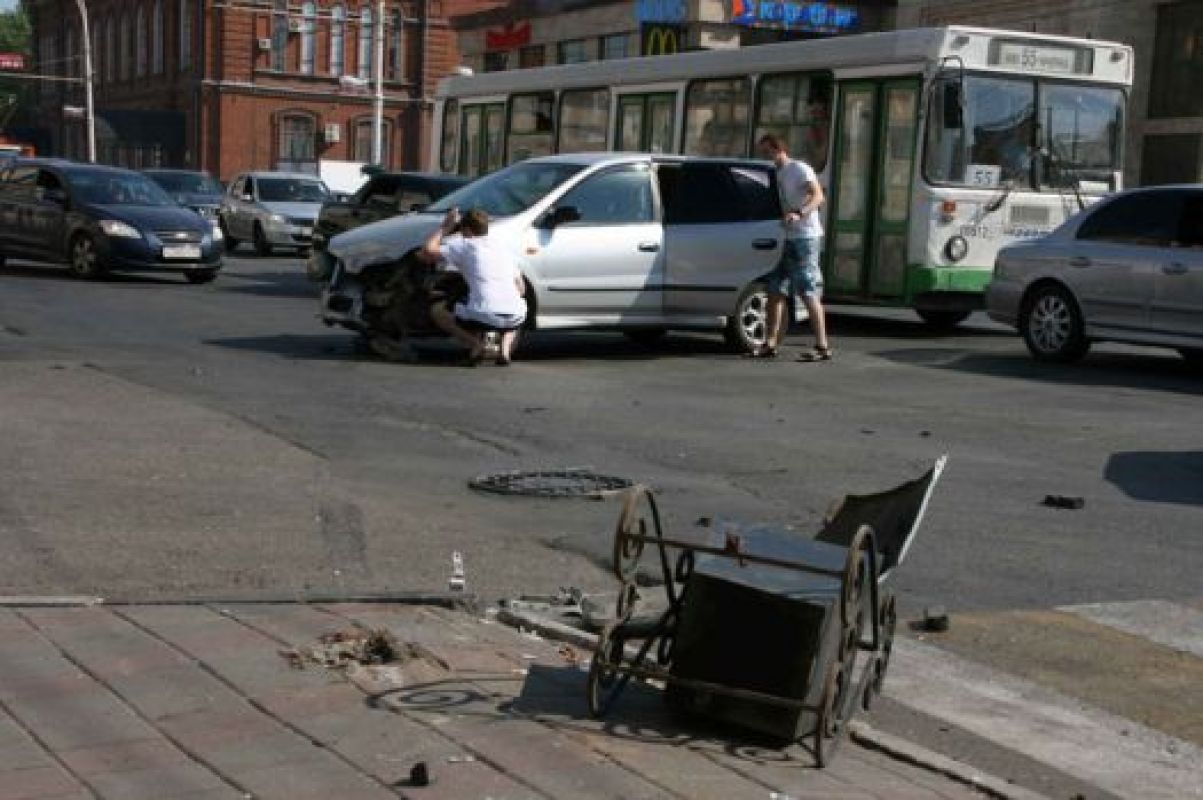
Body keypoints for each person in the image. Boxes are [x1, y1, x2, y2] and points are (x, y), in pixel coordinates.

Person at [756, 133, 831, 362]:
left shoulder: (799, 169)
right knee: (775, 289)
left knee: (807, 290)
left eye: (768, 152)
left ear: (780, 149)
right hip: (788, 238)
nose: (767, 157)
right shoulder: (775, 174)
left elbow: (818, 196)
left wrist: (799, 213)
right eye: (763, 153)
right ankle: (770, 343)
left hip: (805, 238)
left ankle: (822, 346)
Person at [421, 207, 526, 366]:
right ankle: (504, 349)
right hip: (516, 317)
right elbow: (520, 289)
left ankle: (477, 345)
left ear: (467, 230)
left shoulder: (465, 245)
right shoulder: (503, 248)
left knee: (439, 311)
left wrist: (445, 228)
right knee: (512, 306)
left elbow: (428, 252)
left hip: (483, 314)